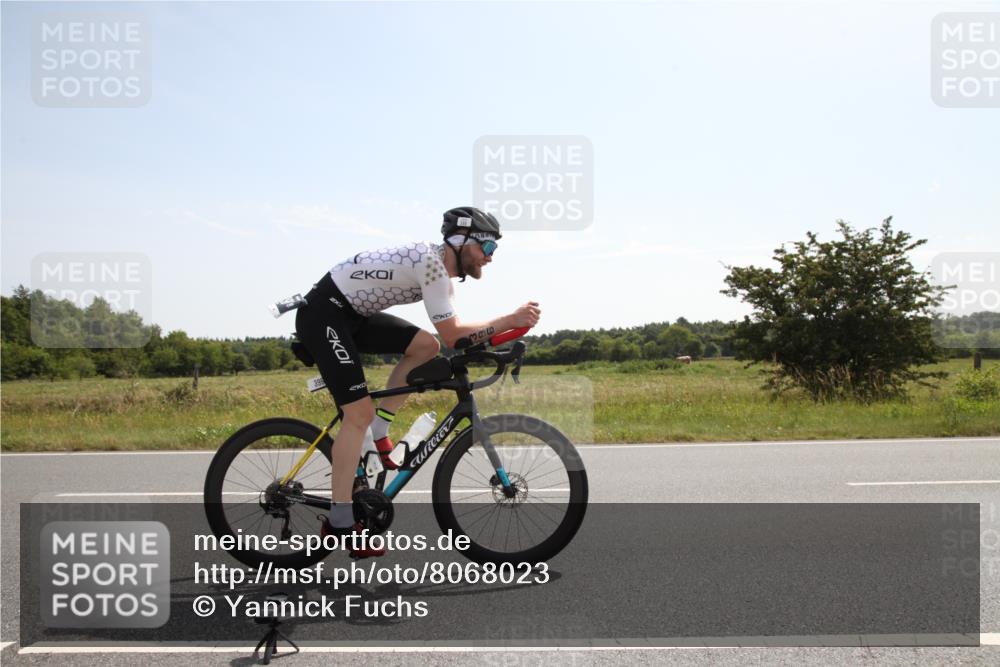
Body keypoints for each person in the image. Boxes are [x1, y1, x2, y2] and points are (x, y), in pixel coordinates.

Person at [294, 206, 540, 557]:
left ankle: (381, 427)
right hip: (325, 315)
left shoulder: (436, 266)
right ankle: (339, 522)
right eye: (487, 248)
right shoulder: (432, 267)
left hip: (351, 315)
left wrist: (504, 333)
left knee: (425, 345)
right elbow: (456, 336)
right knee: (356, 415)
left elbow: (450, 339)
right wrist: (509, 318)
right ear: (463, 242)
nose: (489, 258)